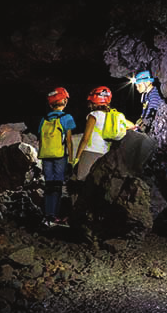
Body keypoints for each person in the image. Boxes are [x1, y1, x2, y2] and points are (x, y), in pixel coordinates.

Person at [36, 87, 76, 227]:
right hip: (59, 156)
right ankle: (54, 217)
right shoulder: (67, 118)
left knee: (49, 186)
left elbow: (40, 139)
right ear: (64, 101)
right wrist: (71, 160)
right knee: (57, 186)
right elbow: (69, 142)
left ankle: (47, 216)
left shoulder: (44, 119)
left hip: (46, 156)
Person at [73, 86, 115, 181]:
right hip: (104, 154)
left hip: (90, 152)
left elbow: (85, 139)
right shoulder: (112, 116)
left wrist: (77, 158)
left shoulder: (93, 116)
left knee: (81, 180)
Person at [134, 70, 164, 137]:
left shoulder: (154, 95)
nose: (137, 88)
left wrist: (143, 125)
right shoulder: (145, 95)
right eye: (136, 86)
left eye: (139, 85)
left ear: (148, 82)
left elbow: (151, 112)